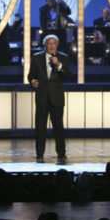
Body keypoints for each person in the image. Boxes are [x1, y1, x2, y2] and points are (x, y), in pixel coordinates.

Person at [27, 34, 70, 164]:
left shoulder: (64, 58)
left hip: (56, 98)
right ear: (45, 45)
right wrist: (32, 81)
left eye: (54, 44)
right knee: (40, 127)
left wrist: (59, 65)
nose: (51, 46)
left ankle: (61, 154)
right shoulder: (36, 57)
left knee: (58, 127)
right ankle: (39, 154)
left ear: (57, 45)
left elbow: (68, 75)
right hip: (42, 97)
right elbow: (31, 76)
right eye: (49, 44)